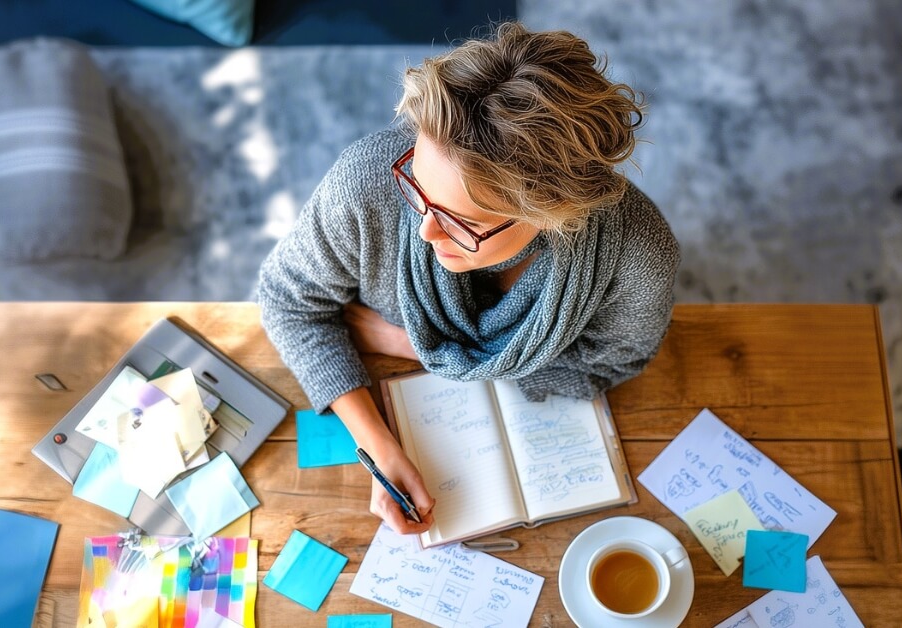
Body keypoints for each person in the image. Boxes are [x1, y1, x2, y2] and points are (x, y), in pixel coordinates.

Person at [257, 21, 679, 535]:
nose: (425, 230)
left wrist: (409, 344)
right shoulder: (365, 184)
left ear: (554, 215)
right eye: (418, 183)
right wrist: (377, 441)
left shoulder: (639, 258)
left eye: (463, 222)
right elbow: (286, 299)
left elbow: (612, 366)